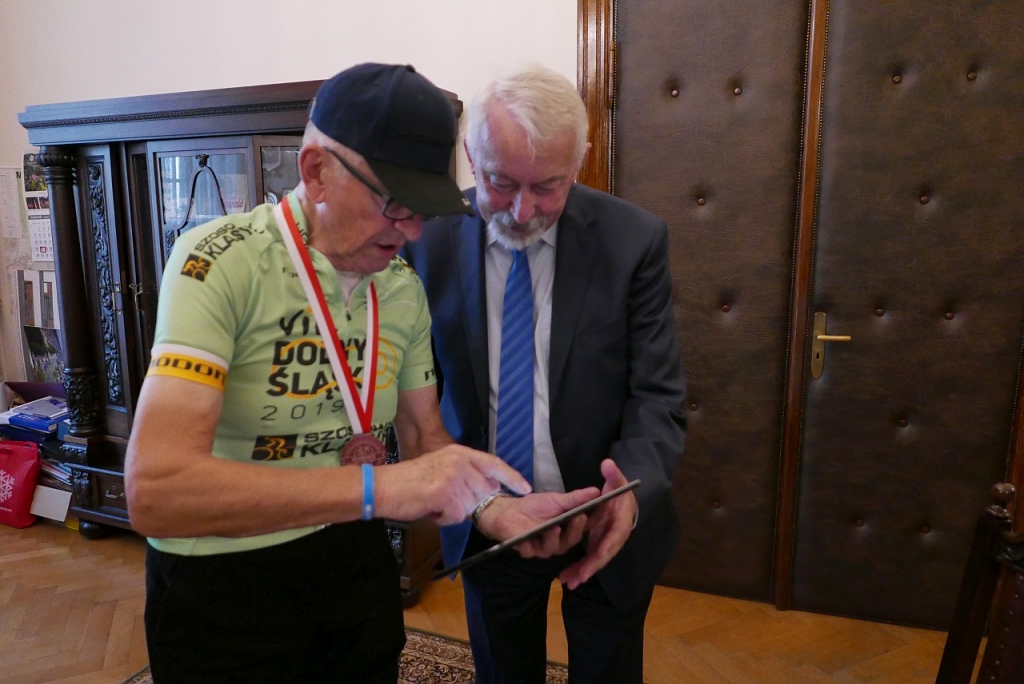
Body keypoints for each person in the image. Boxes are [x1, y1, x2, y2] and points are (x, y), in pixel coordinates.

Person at [124, 63, 601, 684]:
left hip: (354, 560)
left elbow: (424, 438)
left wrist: (494, 510)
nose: (412, 230)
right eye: (394, 203)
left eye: (423, 208)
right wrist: (381, 490)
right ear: (316, 170)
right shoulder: (219, 262)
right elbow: (156, 493)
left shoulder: (400, 286)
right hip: (222, 575)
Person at [401, 63, 687, 683]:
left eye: (548, 187)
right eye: (501, 182)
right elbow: (419, 393)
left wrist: (627, 494)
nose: (523, 210)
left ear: (578, 164)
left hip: (605, 513)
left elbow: (658, 396)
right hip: (490, 515)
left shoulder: (633, 241)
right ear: (471, 160)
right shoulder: (425, 239)